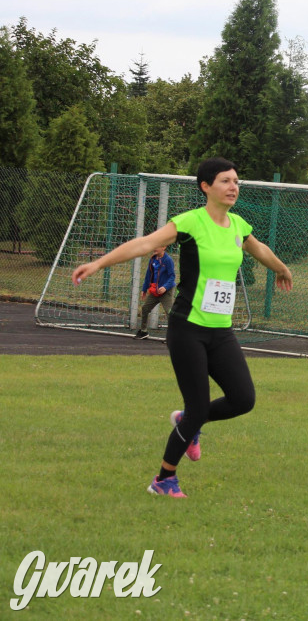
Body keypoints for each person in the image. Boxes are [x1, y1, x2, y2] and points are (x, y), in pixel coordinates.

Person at [71, 158, 293, 498]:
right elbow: (145, 243)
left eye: (236, 181)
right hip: (187, 328)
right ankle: (163, 479)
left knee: (243, 399)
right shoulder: (190, 222)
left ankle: (188, 422)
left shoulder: (238, 225)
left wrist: (281, 268)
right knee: (199, 406)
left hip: (220, 331)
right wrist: (99, 262)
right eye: (225, 181)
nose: (233, 186)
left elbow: (258, 248)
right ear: (205, 186)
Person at [134, 245, 176, 339]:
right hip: (155, 291)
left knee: (170, 312)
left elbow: (172, 276)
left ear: (164, 247)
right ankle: (144, 331)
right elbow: (148, 275)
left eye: (157, 246)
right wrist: (144, 289)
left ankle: (172, 336)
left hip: (166, 291)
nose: (154, 248)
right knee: (145, 309)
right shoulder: (152, 259)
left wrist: (165, 287)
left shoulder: (168, 260)